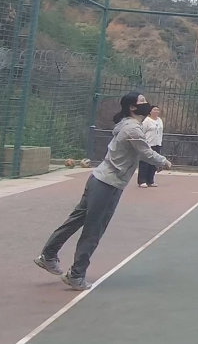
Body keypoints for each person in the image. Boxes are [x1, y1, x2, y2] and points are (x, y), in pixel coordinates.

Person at [34, 92, 171, 290]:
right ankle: (76, 274)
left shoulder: (127, 124)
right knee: (93, 230)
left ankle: (48, 255)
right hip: (108, 184)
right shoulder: (132, 129)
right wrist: (163, 161)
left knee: (76, 220)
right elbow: (146, 152)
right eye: (142, 101)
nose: (147, 103)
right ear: (133, 107)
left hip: (98, 179)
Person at [138, 105, 164, 188]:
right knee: (144, 163)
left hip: (157, 144)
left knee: (154, 163)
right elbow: (142, 131)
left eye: (157, 110)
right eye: (154, 110)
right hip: (148, 144)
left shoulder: (159, 120)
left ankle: (150, 180)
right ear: (150, 111)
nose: (156, 111)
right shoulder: (147, 121)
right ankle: (142, 181)